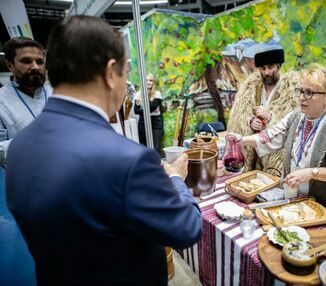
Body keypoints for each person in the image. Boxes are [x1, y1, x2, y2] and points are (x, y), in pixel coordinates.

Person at [6, 15, 202, 286]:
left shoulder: (18, 148)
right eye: (126, 73)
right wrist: (176, 178)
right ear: (111, 72)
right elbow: (188, 228)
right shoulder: (128, 160)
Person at [240, 64, 326, 228]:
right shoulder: (298, 116)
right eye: (301, 91)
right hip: (308, 207)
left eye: (310, 92)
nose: (302, 97)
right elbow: (270, 136)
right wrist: (240, 139)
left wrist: (312, 173)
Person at [227, 48, 299, 176]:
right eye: (262, 68)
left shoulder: (290, 90)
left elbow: (293, 121)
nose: (266, 72)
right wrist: (250, 121)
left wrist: (271, 117)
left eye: (270, 67)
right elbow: (240, 115)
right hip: (254, 149)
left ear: (279, 66)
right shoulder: (251, 88)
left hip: (275, 152)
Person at [0, 37, 52, 166]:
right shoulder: (1, 100)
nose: (35, 67)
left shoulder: (59, 92)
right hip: (26, 176)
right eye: (26, 61)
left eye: (40, 62)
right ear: (10, 65)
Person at [134, 73, 164, 154]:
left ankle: (157, 166)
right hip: (143, 123)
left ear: (153, 82)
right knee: (144, 148)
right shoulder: (138, 94)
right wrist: (149, 109)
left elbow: (152, 107)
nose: (148, 82)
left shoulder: (157, 94)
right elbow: (136, 111)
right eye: (146, 80)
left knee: (156, 148)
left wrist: (143, 107)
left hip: (155, 122)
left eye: (150, 80)